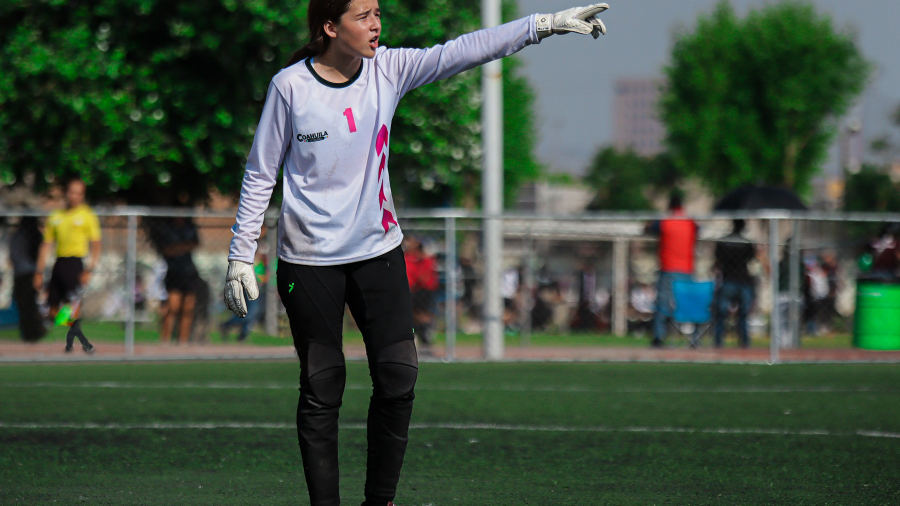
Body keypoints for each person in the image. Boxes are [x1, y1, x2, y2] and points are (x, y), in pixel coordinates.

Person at [222, 2, 613, 505]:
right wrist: (239, 254)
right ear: (329, 26)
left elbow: (464, 51)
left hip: (378, 251)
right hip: (309, 260)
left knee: (399, 373)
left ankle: (379, 501)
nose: (376, 24)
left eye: (378, 12)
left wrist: (541, 26)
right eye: (362, 15)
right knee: (323, 384)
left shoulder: (390, 68)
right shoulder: (289, 87)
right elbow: (260, 173)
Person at [34, 178, 100, 353]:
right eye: (72, 191)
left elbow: (96, 244)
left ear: (83, 195)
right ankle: (80, 342)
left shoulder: (87, 215)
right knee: (52, 309)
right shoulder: (56, 216)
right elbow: (46, 245)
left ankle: (77, 345)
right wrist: (39, 271)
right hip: (59, 263)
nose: (74, 196)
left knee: (72, 308)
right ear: (66, 193)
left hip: (75, 263)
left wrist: (90, 269)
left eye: (79, 193)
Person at [644, 193, 698, 347]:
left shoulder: (665, 222)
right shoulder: (690, 222)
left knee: (662, 304)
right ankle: (693, 338)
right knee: (687, 304)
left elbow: (649, 229)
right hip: (686, 269)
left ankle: (658, 337)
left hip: (668, 268)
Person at [152, 215, 201, 344]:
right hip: (174, 272)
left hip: (189, 272)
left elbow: (195, 243)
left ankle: (183, 341)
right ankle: (165, 340)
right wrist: (182, 247)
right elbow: (167, 250)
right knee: (172, 307)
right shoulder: (168, 230)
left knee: (188, 309)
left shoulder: (189, 229)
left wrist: (179, 248)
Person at [713, 219, 756, 348]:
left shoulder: (724, 242)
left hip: (729, 279)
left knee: (722, 314)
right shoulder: (747, 243)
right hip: (742, 279)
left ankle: (719, 341)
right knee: (742, 314)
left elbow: (718, 258)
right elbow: (751, 258)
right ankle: (744, 342)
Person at [10, 216, 48, 342]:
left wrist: (38, 272)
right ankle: (30, 331)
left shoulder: (31, 236)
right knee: (24, 303)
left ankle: (34, 331)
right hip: (22, 273)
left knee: (29, 303)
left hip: (28, 272)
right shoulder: (21, 236)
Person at [221, 244, 270, 342]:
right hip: (247, 288)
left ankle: (242, 334)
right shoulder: (248, 260)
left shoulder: (262, 262)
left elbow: (265, 276)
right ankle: (227, 324)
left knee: (255, 311)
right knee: (251, 312)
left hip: (259, 289)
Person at [403, 236, 438, 352]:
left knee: (423, 315)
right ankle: (418, 336)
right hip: (411, 290)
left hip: (423, 290)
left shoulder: (424, 260)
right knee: (413, 315)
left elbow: (424, 278)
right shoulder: (408, 258)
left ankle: (426, 338)